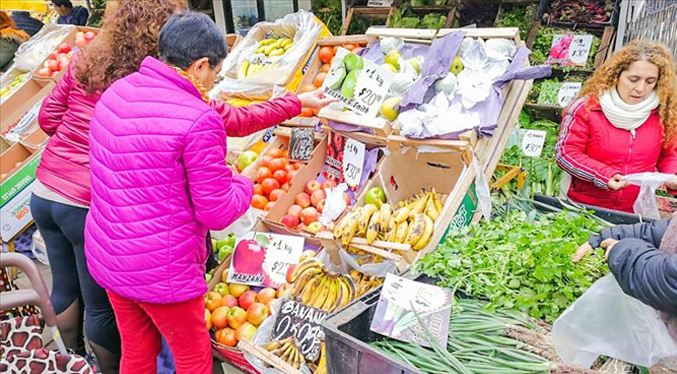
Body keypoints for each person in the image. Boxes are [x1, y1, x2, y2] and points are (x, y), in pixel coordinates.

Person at [84, 12, 335, 374]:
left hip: (110, 255)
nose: (214, 79)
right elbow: (217, 212)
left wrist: (297, 103)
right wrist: (245, 181)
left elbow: (232, 118)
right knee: (192, 360)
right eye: (214, 71)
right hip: (161, 268)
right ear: (200, 66)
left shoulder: (119, 91)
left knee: (138, 351)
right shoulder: (194, 118)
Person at [555, 41, 677, 213]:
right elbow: (566, 153)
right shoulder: (586, 109)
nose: (640, 88)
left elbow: (670, 153)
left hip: (635, 211)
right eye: (633, 79)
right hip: (584, 208)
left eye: (650, 81)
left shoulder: (663, 113)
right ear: (617, 76)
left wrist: (673, 175)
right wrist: (603, 175)